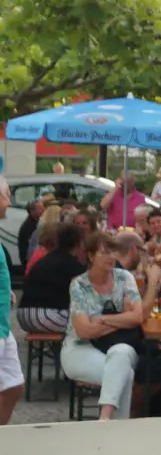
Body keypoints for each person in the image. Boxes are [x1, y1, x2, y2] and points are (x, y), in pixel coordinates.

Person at [62, 231, 144, 420]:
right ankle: (115, 428)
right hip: (79, 349)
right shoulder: (79, 285)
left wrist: (102, 319)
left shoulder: (124, 278)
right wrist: (122, 318)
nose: (111, 257)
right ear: (90, 256)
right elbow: (83, 331)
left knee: (122, 352)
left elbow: (138, 316)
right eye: (104, 252)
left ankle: (105, 420)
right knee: (126, 374)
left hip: (116, 346)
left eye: (113, 252)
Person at [18, 222, 86, 335]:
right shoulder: (73, 265)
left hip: (23, 316)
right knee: (88, 323)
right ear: (79, 243)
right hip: (46, 317)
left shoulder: (46, 259)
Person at [0, 180, 19, 424]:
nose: (10, 203)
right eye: (6, 196)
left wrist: (7, 290)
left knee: (14, 386)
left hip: (4, 326)